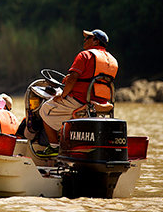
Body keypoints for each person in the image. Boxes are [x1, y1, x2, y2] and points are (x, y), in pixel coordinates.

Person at [38, 29, 118, 157]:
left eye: (88, 38)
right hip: (101, 104)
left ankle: (54, 146)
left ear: (96, 41)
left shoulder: (85, 55)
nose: (84, 40)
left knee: (44, 109)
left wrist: (62, 95)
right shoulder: (113, 61)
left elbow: (73, 78)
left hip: (79, 101)